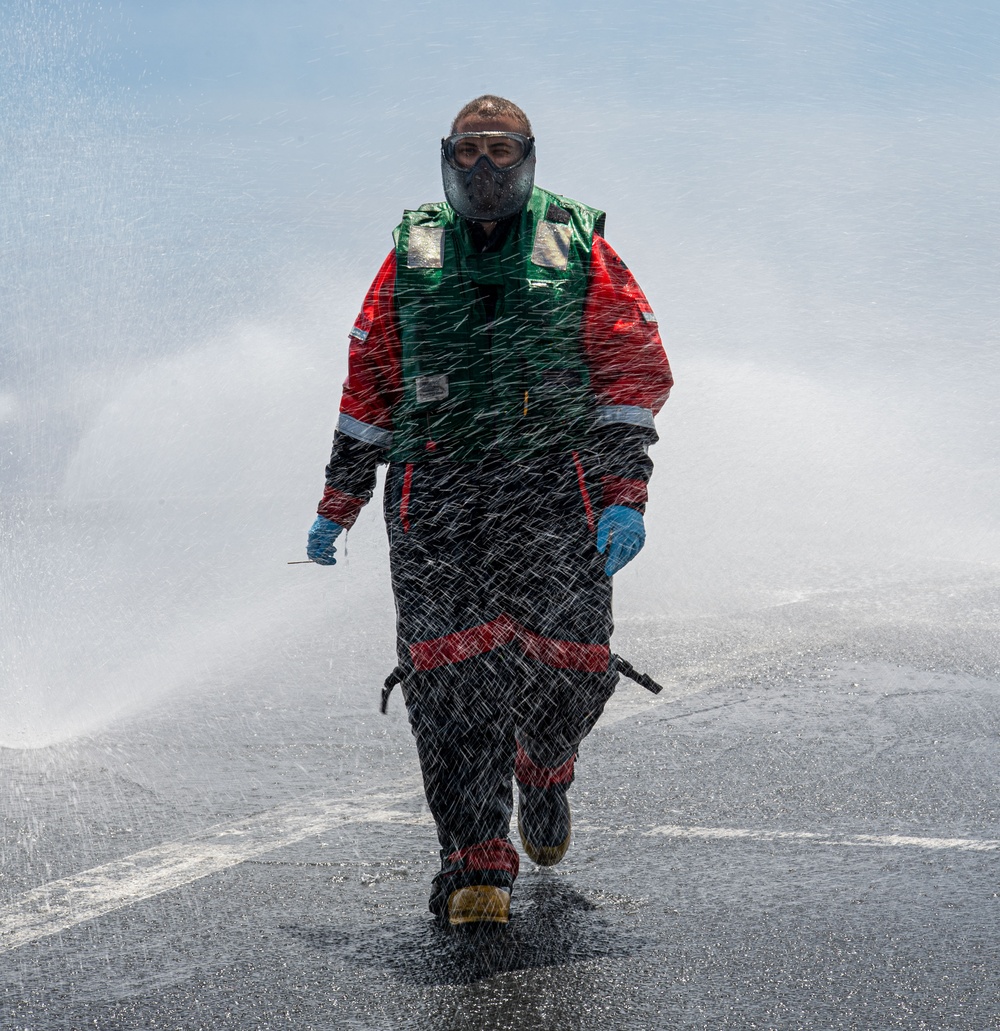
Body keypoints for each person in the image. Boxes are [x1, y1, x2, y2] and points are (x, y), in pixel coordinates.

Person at [306, 95, 673, 927]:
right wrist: (340, 500)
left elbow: (630, 367)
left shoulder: (578, 245)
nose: (483, 168)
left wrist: (626, 494)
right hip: (436, 494)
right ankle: (475, 859)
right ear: (445, 157)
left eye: (500, 151)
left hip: (554, 488)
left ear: (529, 158)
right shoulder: (413, 252)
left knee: (572, 664)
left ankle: (546, 763)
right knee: (448, 676)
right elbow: (369, 382)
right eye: (468, 151)